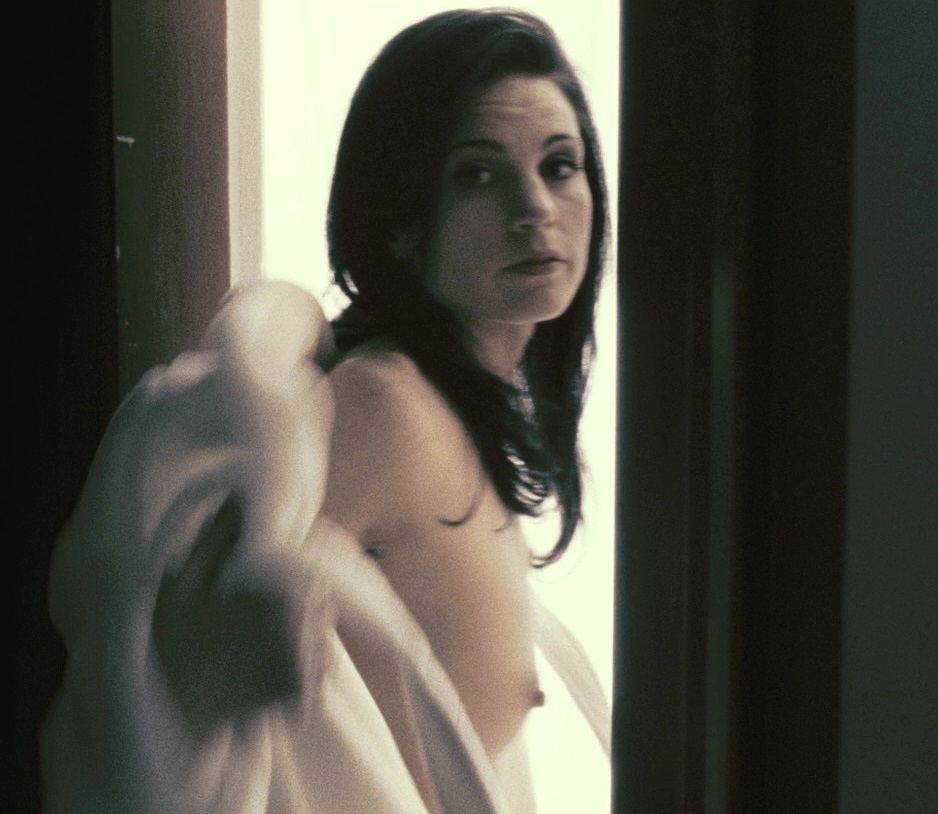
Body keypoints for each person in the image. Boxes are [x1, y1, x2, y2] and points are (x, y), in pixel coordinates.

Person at [42, 10, 609, 814]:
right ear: (399, 223)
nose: (536, 208)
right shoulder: (387, 409)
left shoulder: (453, 411)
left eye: (560, 165)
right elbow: (207, 660)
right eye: (477, 175)